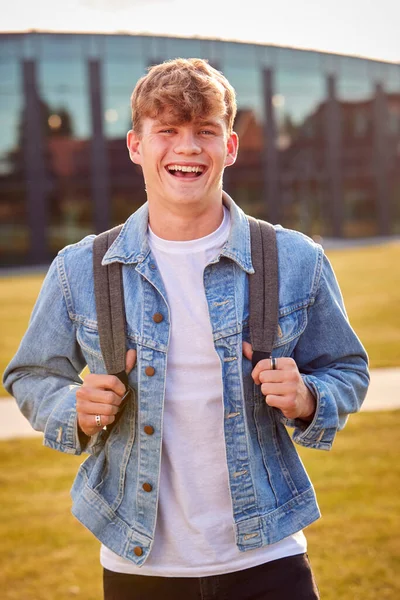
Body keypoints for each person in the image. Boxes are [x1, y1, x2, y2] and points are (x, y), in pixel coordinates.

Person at [4, 58, 369, 599]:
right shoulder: (80, 268)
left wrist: (309, 397)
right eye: (167, 131)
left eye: (205, 131)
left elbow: (347, 368)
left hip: (267, 556)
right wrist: (71, 409)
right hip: (139, 566)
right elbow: (31, 374)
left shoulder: (294, 258)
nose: (188, 147)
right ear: (135, 146)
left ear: (231, 145)